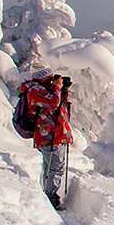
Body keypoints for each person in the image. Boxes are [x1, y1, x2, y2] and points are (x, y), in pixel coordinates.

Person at [15, 67, 74, 209]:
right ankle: (50, 197)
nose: (53, 78)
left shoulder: (45, 90)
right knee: (55, 167)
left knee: (51, 167)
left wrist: (63, 91)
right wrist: (57, 87)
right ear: (43, 76)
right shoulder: (35, 90)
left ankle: (48, 194)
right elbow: (53, 102)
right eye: (50, 76)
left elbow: (60, 107)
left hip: (55, 134)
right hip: (48, 135)